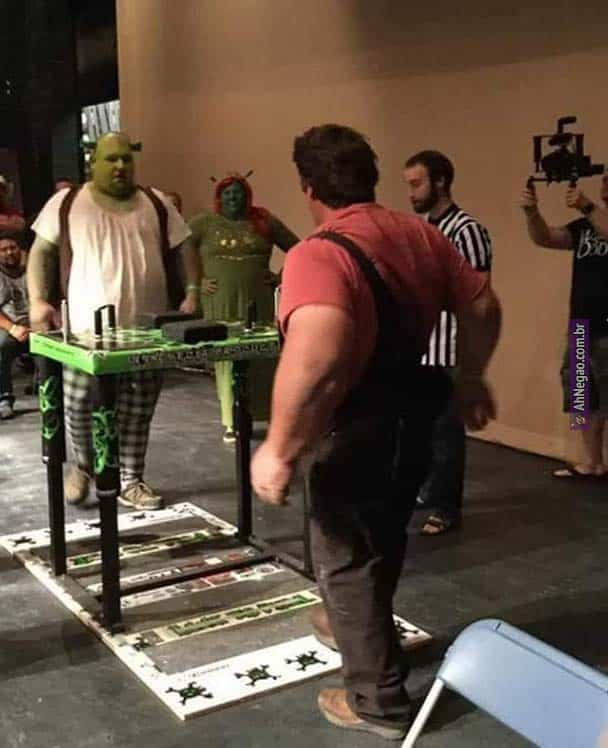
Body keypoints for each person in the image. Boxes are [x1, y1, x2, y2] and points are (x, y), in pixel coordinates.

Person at [251, 124, 501, 740]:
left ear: (309, 188)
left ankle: (377, 701)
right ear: (371, 178)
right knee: (384, 532)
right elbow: (483, 306)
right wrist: (471, 377)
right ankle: (357, 628)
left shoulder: (318, 252)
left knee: (343, 558)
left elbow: (318, 355)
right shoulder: (419, 234)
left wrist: (278, 448)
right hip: (416, 408)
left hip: (356, 420)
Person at [27, 131, 201, 509]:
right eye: (111, 159)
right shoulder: (67, 202)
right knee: (78, 404)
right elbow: (41, 252)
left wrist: (192, 291)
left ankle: (130, 479)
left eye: (126, 158)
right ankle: (86, 465)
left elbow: (185, 246)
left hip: (147, 333)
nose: (120, 166)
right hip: (84, 334)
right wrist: (38, 300)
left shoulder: (156, 203)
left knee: (138, 410)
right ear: (94, 162)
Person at [403, 150, 493, 535]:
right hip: (423, 347)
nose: (411, 193)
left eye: (417, 184)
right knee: (420, 430)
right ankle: (429, 491)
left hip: (450, 347)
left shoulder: (466, 230)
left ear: (440, 182)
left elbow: (478, 295)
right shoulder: (424, 229)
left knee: (446, 433)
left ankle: (446, 508)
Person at [189, 173, 298, 443]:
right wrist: (196, 282)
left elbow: (299, 248)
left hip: (259, 301)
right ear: (219, 197)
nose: (233, 197)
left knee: (263, 357)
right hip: (221, 301)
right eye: (227, 193)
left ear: (247, 195)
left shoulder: (263, 221)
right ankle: (232, 421)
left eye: (237, 192)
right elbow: (180, 247)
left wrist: (281, 276)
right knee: (227, 359)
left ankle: (270, 416)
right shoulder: (204, 223)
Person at [521, 174, 608, 478]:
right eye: (605, 181)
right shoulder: (585, 227)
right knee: (581, 394)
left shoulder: (593, 216)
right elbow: (545, 238)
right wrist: (532, 213)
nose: (605, 186)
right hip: (581, 324)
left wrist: (586, 206)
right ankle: (592, 463)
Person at [0, 236, 30, 419]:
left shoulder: (32, 270)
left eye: (13, 247)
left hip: (36, 325)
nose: (9, 252)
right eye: (4, 249)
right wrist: (12, 328)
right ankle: (4, 398)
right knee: (1, 344)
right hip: (9, 327)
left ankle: (52, 393)